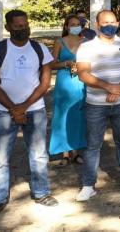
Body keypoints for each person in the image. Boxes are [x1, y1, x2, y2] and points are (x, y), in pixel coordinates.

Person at [0, 10, 58, 220]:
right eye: (17, 26)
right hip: (3, 112)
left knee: (39, 154)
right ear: (8, 28)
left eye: (25, 25)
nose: (22, 29)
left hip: (35, 110)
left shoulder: (39, 48)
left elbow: (44, 83)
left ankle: (41, 192)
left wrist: (24, 106)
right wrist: (13, 109)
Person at [75, 10, 120, 201]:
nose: (110, 25)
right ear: (97, 25)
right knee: (93, 145)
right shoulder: (86, 47)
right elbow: (83, 73)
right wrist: (108, 87)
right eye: (105, 22)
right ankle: (88, 184)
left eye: (113, 22)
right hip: (96, 104)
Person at [49, 14, 87, 165]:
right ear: (66, 26)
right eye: (72, 24)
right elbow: (51, 64)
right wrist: (66, 64)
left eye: (78, 24)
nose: (75, 26)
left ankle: (77, 151)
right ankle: (65, 153)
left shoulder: (86, 42)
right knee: (62, 116)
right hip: (64, 83)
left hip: (81, 81)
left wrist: (81, 67)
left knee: (78, 116)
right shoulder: (59, 41)